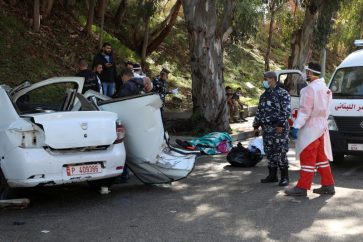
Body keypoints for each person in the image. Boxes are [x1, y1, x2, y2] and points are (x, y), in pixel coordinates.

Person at [285, 62, 335, 196]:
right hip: (321, 128)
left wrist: (296, 126)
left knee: (307, 157)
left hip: (310, 129)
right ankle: (328, 185)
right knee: (321, 158)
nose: (306, 74)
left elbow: (305, 111)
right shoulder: (326, 88)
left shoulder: (310, 89)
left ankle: (302, 187)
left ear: (310, 73)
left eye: (307, 72)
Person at [253, 71, 291, 186]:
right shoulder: (264, 95)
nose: (264, 81)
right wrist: (256, 125)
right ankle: (272, 175)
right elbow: (260, 111)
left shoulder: (282, 93)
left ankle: (284, 177)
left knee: (280, 152)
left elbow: (286, 111)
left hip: (278, 128)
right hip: (267, 129)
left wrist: (280, 125)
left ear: (273, 79)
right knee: (270, 153)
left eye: (266, 79)